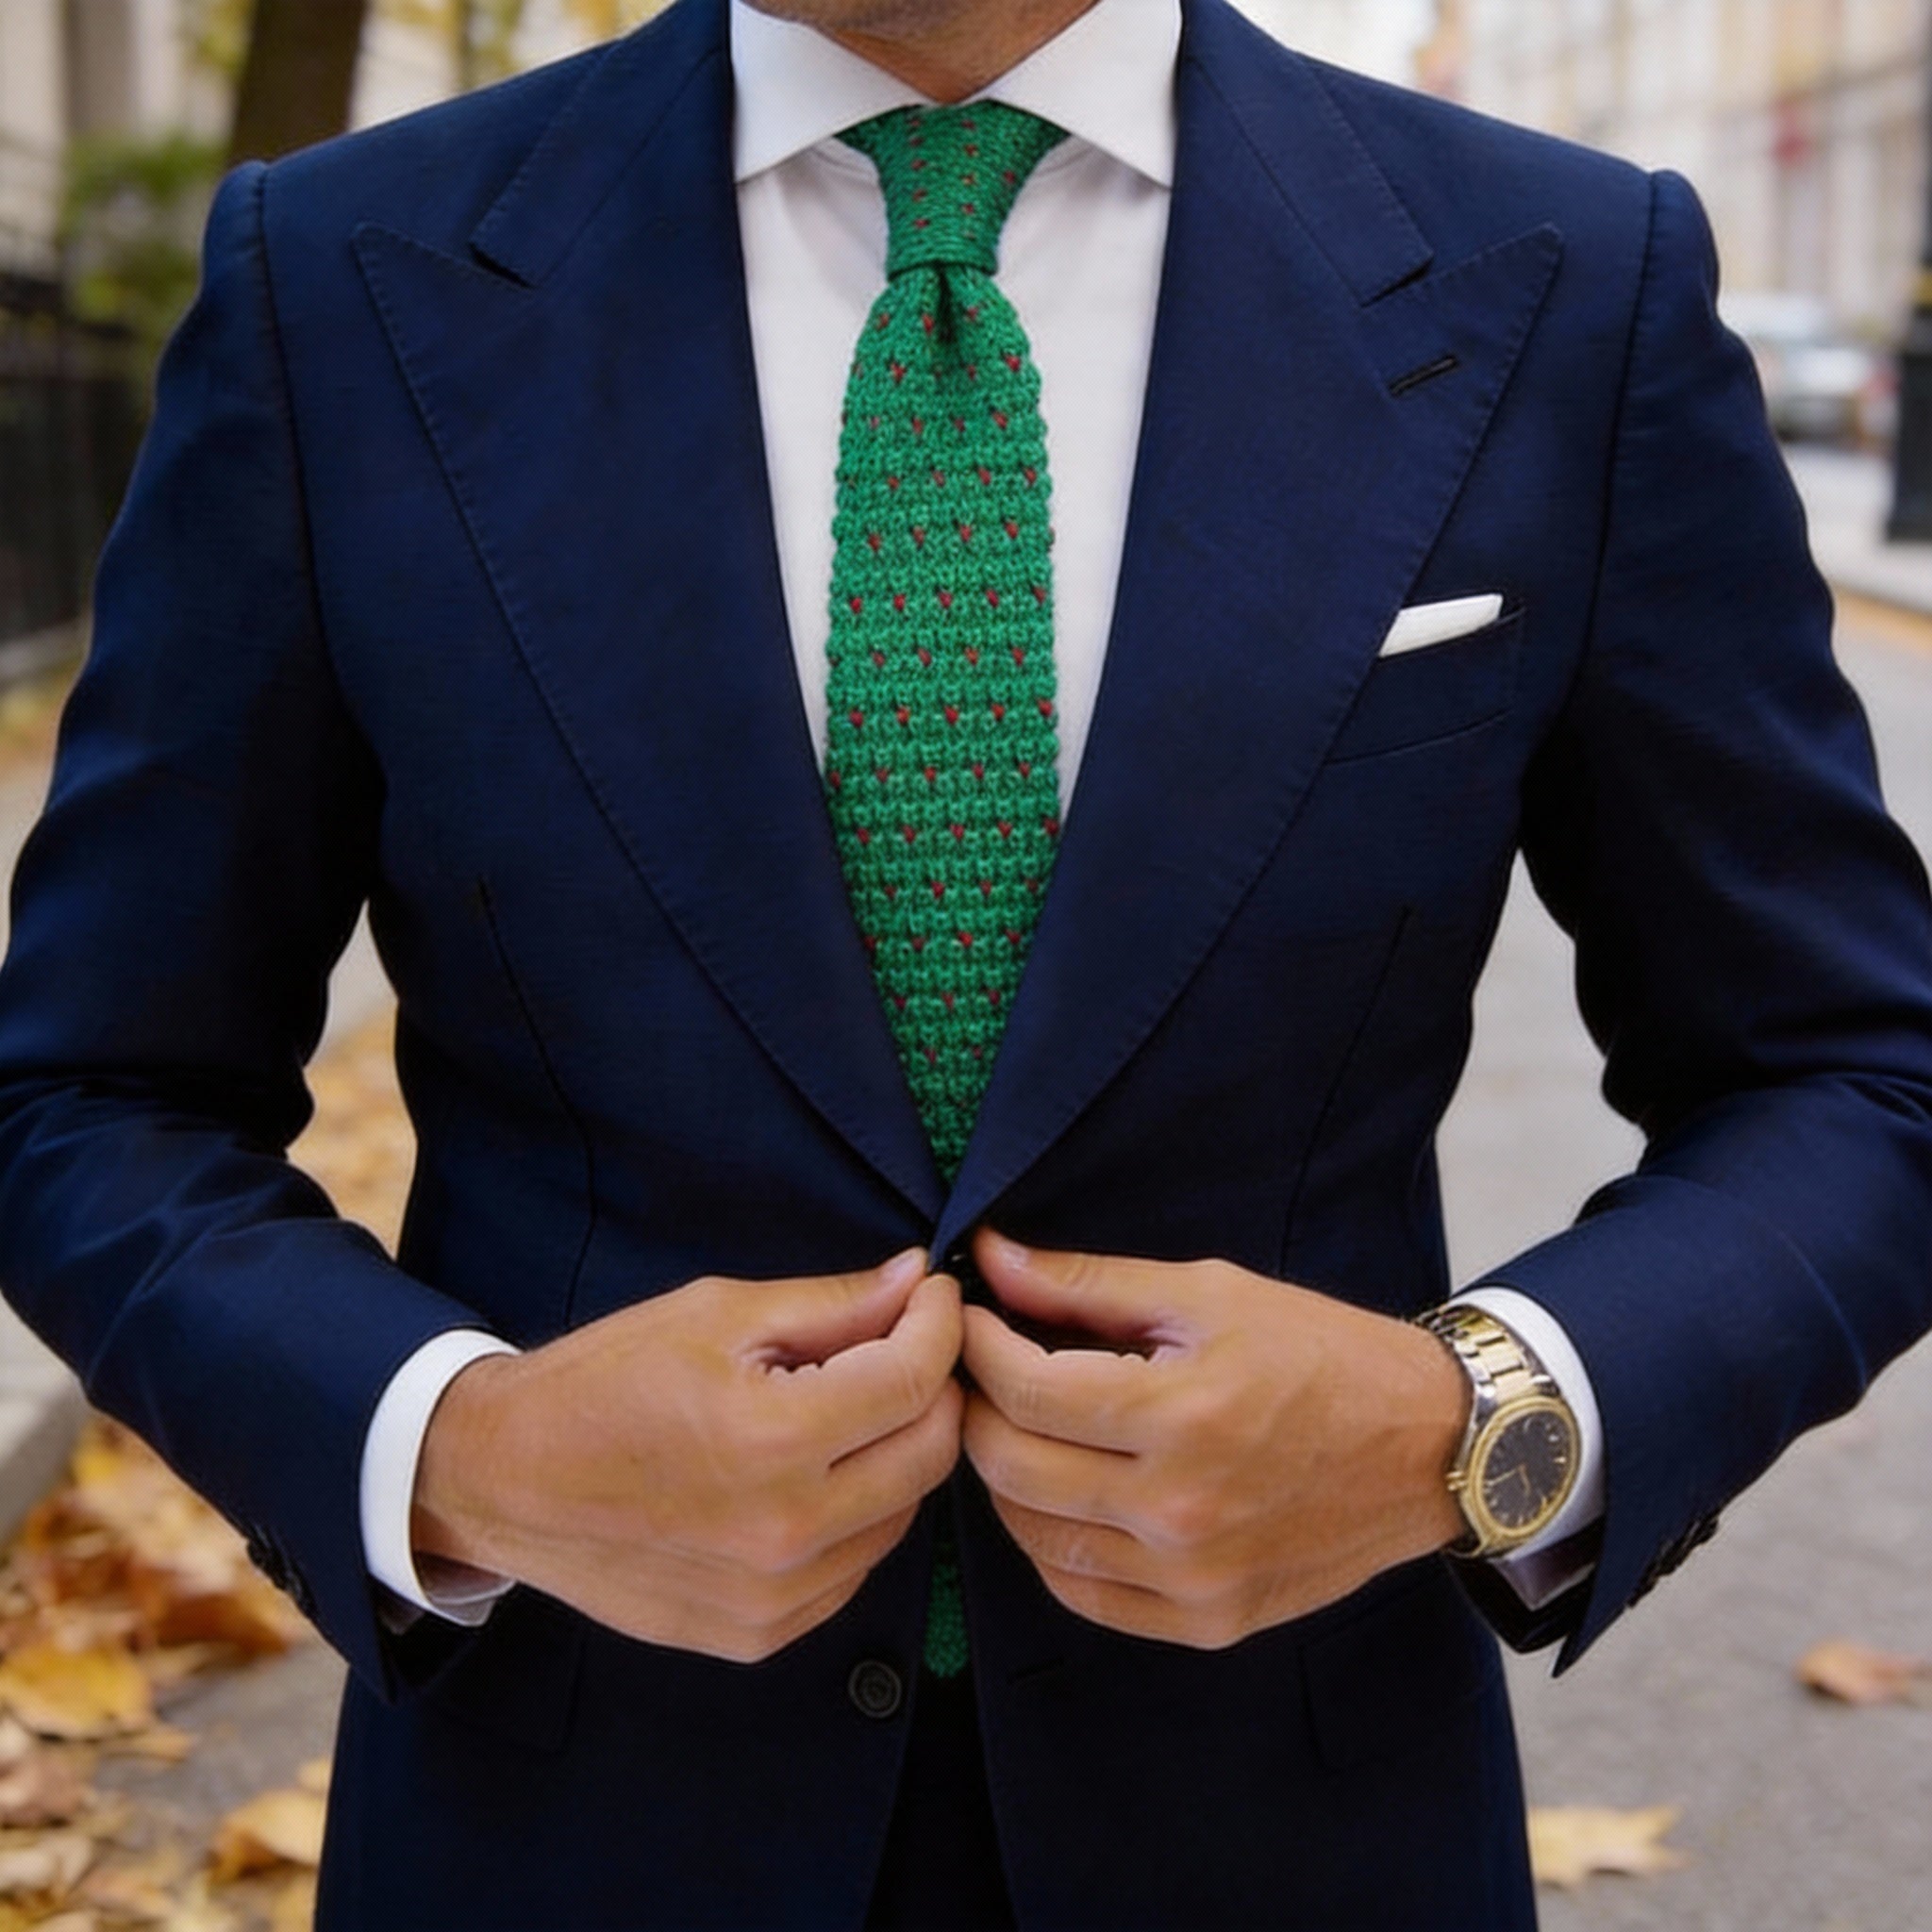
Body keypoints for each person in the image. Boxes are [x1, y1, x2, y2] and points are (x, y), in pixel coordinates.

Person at [1, 0, 1929, 1924]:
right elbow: (95, 1086)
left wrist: (1476, 1427)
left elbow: (1852, 1075)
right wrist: (463, 1452)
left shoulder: (1567, 282)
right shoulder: (336, 282)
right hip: (566, 1815)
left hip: (1294, 1824)